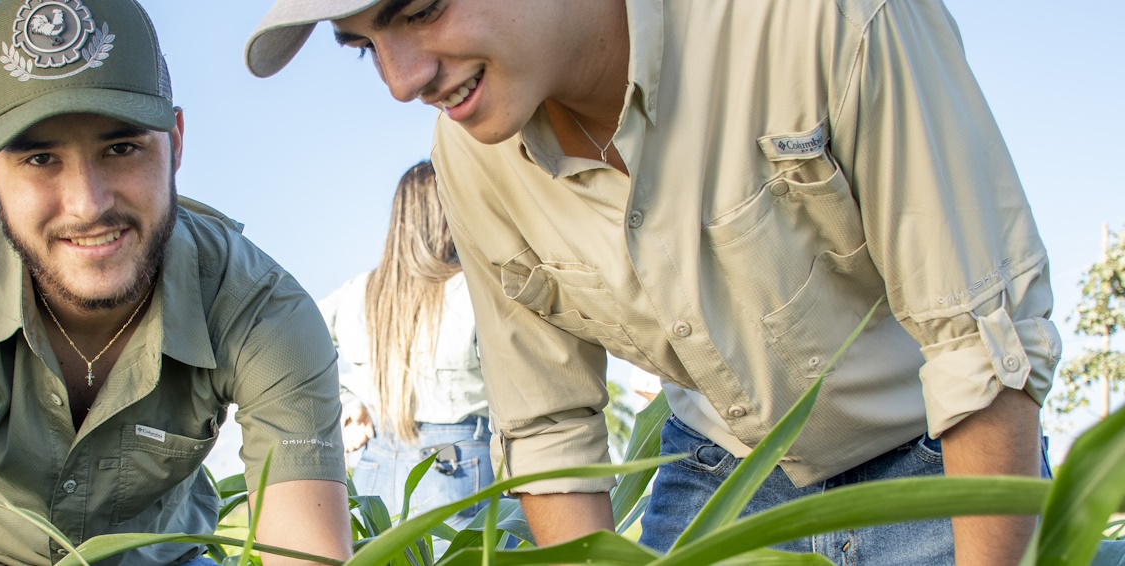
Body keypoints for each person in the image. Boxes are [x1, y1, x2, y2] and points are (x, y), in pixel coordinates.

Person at [242, 0, 1058, 563]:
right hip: (719, 471)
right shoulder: (469, 155)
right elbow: (549, 424)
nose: (400, 78)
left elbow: (977, 344)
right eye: (361, 44)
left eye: (419, 8)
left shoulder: (819, 20)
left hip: (940, 467)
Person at [0, 1, 353, 564]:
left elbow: (304, 550)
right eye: (40, 158)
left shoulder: (263, 310)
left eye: (121, 148)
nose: (88, 204)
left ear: (176, 140)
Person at [318, 161, 492, 523]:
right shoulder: (475, 289)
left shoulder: (360, 292)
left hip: (376, 464)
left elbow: (293, 339)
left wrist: (347, 402)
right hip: (457, 461)